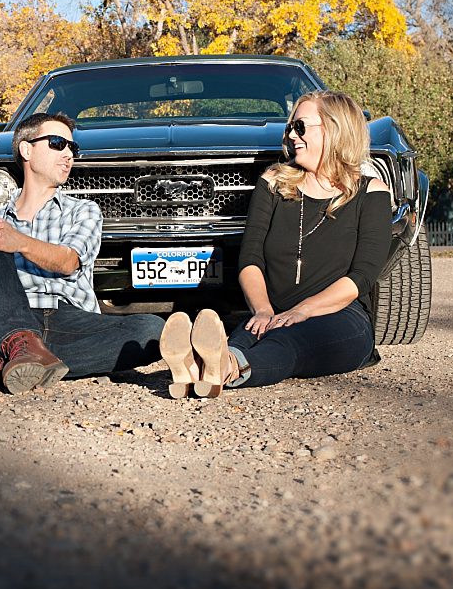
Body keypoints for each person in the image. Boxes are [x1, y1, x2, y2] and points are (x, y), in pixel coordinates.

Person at [159, 91, 391, 397]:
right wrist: (263, 309)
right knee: (246, 335)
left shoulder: (371, 192)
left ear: (336, 130)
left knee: (286, 342)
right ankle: (200, 369)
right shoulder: (273, 183)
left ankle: (223, 368)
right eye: (290, 128)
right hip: (272, 310)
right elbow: (250, 259)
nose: (292, 136)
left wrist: (304, 310)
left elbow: (361, 276)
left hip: (340, 317)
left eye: (301, 127)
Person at [0, 112, 165, 394]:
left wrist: (20, 242)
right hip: (5, 319)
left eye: (72, 148)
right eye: (57, 143)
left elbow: (68, 261)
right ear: (26, 150)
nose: (68, 155)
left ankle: (6, 362)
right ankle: (19, 349)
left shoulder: (83, 211)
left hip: (70, 320)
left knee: (152, 331)